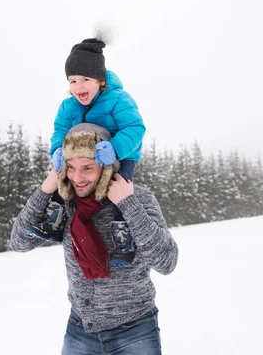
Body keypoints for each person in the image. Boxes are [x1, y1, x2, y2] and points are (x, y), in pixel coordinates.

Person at [11, 123, 178, 355]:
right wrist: (45, 191)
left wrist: (128, 205)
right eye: (70, 167)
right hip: (80, 330)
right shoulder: (65, 201)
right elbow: (19, 242)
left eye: (87, 167)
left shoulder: (136, 196)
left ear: (107, 166)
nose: (77, 178)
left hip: (135, 331)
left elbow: (167, 262)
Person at [27, 26, 146, 267]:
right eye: (72, 81)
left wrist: (115, 149)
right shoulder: (67, 107)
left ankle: (123, 239)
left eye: (85, 80)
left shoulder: (119, 99)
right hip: (80, 156)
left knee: (118, 190)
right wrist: (57, 152)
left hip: (120, 156)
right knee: (66, 178)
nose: (78, 86)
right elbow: (59, 131)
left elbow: (135, 127)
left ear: (100, 81)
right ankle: (55, 220)